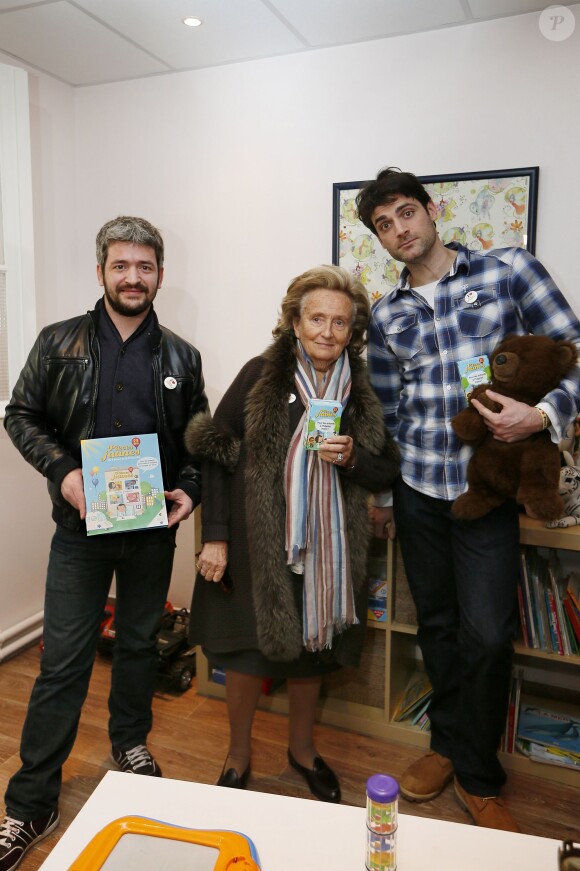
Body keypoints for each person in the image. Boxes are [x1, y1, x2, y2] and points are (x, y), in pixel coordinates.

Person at [356, 168, 580, 832]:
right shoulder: (386, 313)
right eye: (384, 225)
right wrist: (384, 493)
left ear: (431, 209)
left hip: (486, 491)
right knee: (439, 628)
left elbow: (575, 352)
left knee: (486, 635)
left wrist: (540, 416)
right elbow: (385, 412)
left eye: (405, 213)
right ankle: (447, 744)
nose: (400, 230)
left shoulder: (511, 269)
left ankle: (481, 775)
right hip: (417, 487)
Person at [0, 216, 208, 871]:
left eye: (145, 267)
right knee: (63, 661)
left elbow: (197, 443)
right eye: (121, 265)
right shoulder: (57, 342)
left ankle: (129, 743)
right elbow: (20, 413)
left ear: (160, 276)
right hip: (80, 533)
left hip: (149, 533)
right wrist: (65, 477)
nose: (133, 277)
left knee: (141, 646)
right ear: (101, 272)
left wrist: (190, 492)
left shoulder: (181, 355)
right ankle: (31, 801)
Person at [185, 265, 399, 802]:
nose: (328, 332)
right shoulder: (261, 374)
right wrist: (215, 537)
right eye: (317, 318)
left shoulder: (361, 393)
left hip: (328, 551)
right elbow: (215, 449)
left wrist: (353, 457)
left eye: (341, 323)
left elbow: (385, 469)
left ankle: (302, 752)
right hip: (258, 546)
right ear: (295, 323)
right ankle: (237, 755)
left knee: (312, 655)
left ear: (354, 332)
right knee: (242, 656)